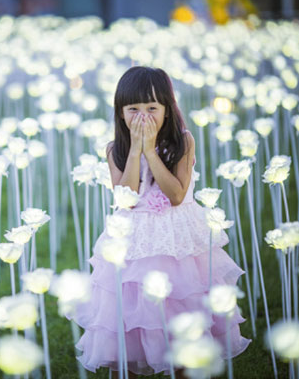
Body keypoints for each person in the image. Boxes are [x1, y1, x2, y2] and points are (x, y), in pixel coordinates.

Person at [70, 66, 251, 377]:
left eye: (152, 108)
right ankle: (125, 364)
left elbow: (176, 195)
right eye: (133, 109)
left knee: (179, 307)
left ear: (168, 110)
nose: (143, 116)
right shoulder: (115, 149)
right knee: (127, 309)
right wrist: (135, 152)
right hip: (133, 240)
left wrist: (151, 152)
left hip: (176, 241)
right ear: (120, 112)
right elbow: (126, 195)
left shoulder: (183, 141)